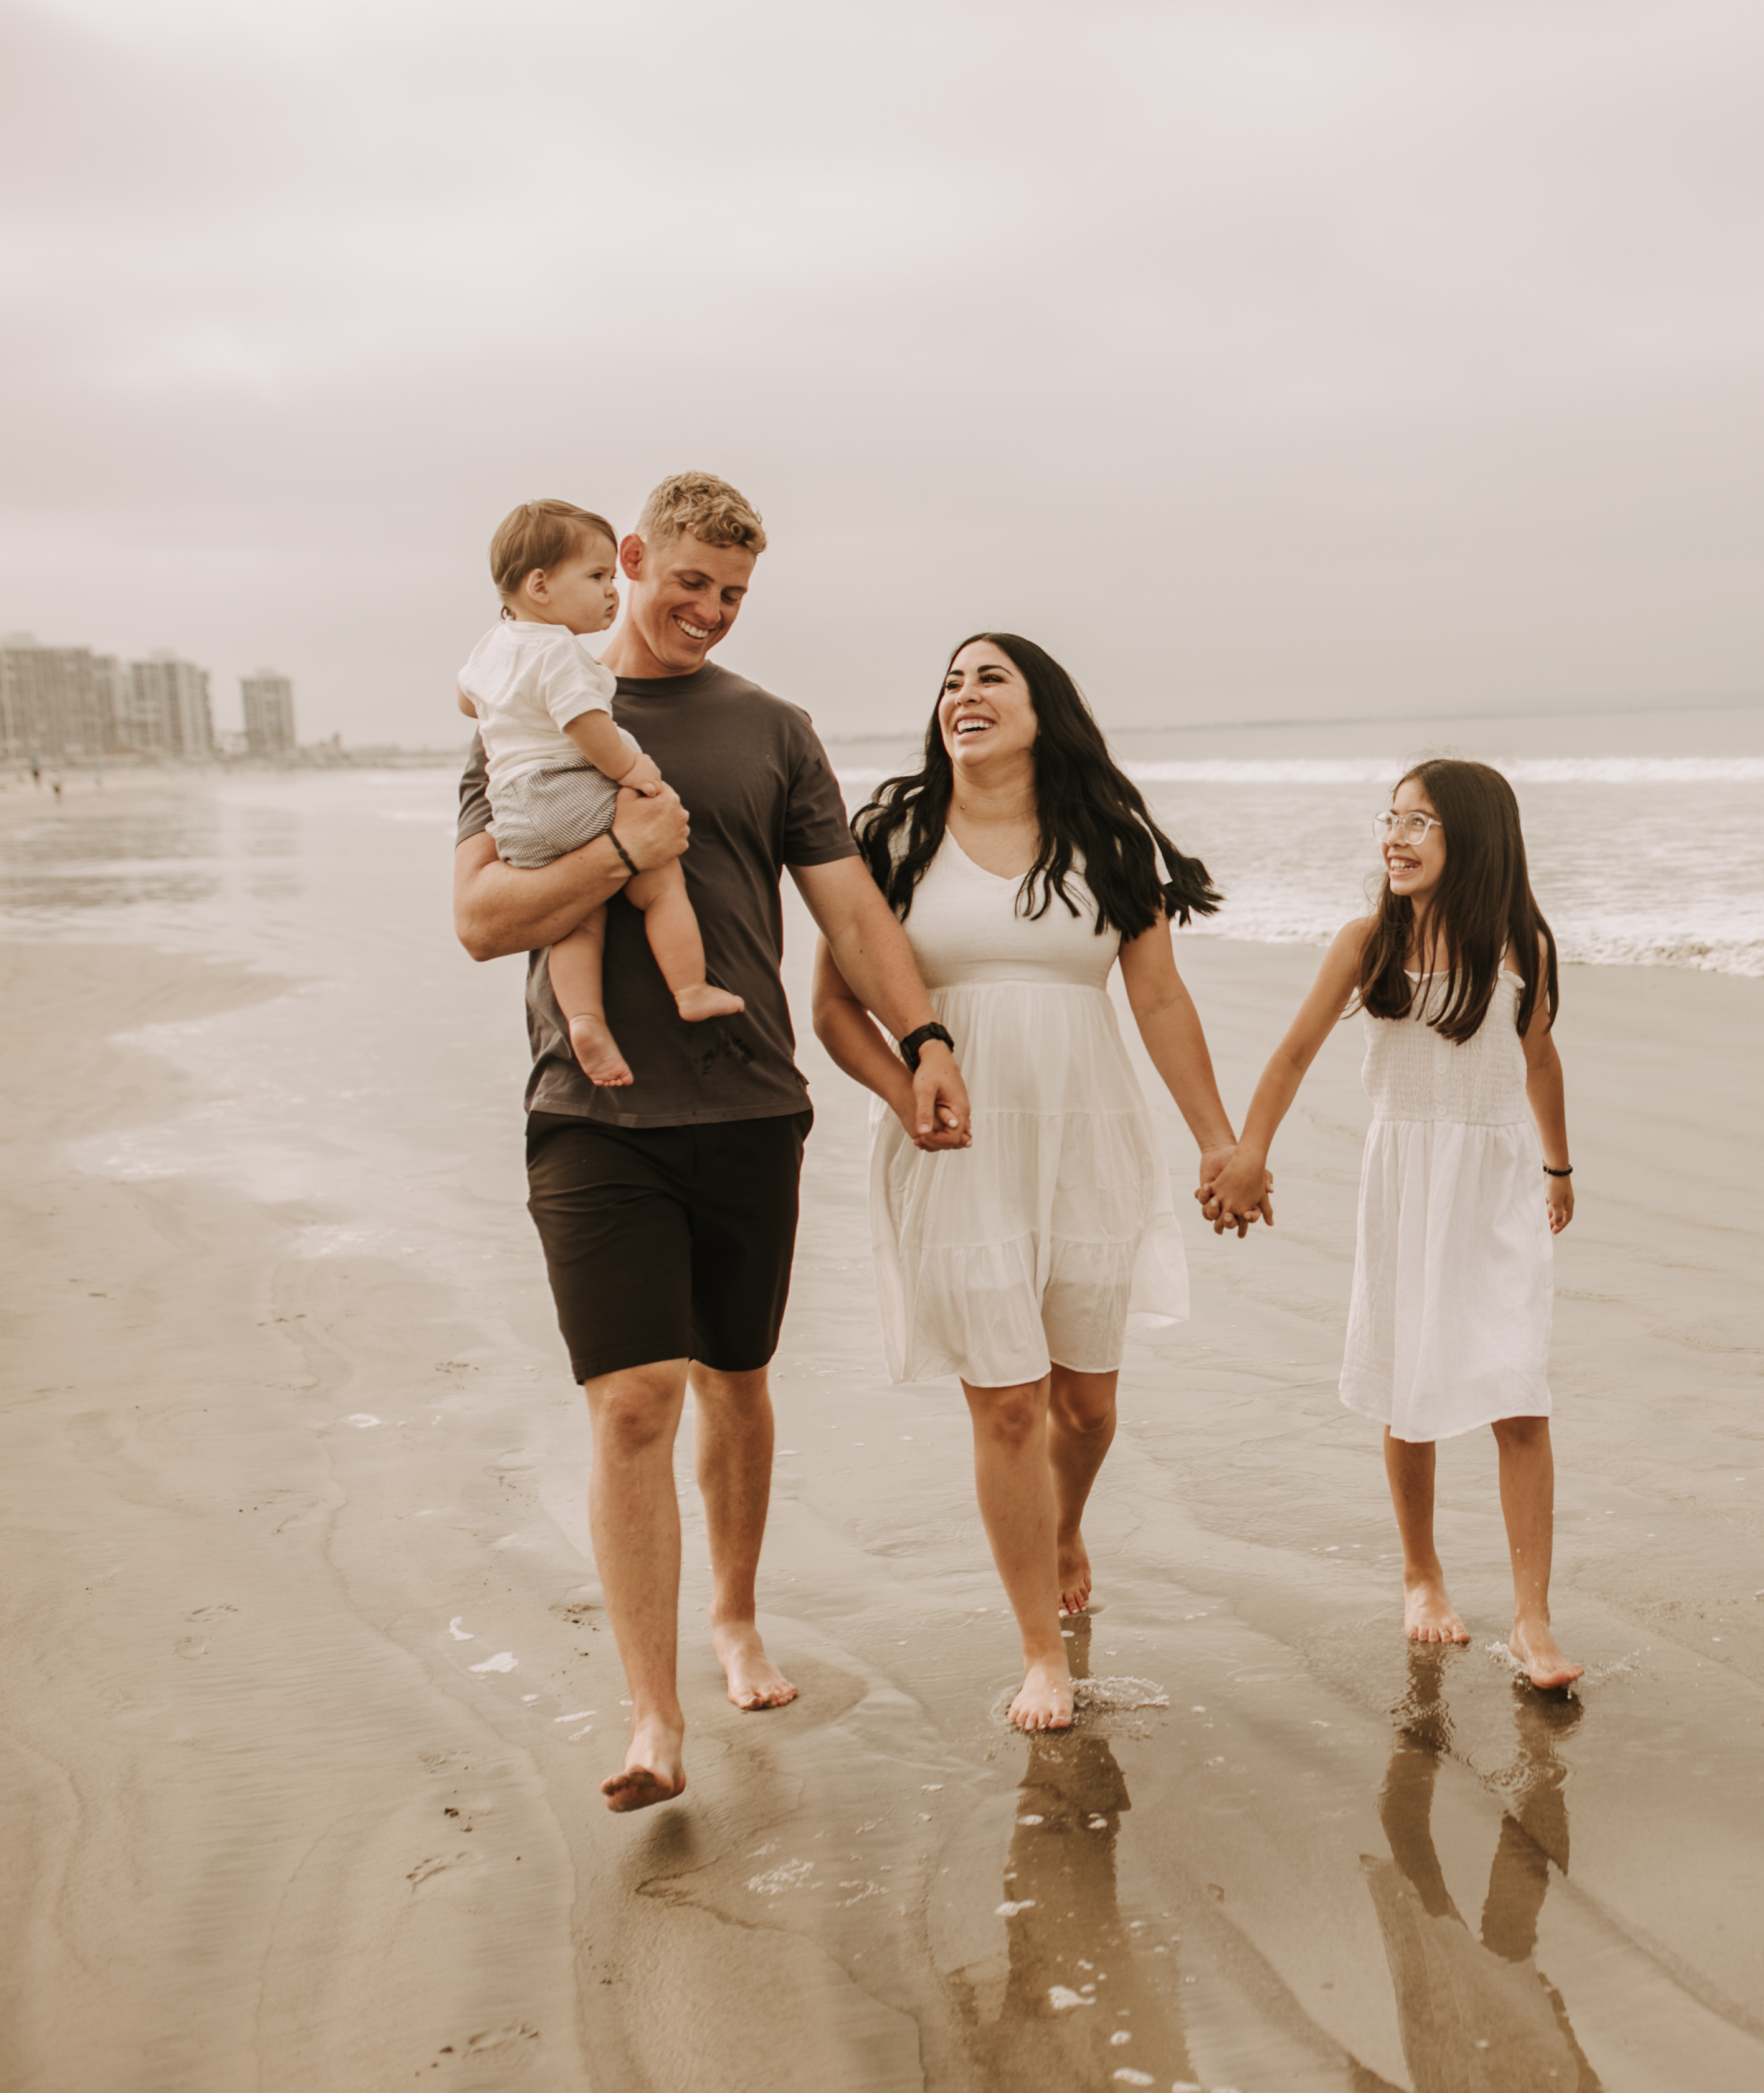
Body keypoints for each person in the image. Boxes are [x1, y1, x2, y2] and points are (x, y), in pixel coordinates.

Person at [452, 472, 973, 1813]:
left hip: (748, 1105)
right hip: (591, 1113)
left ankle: (735, 1613)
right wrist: (624, 852)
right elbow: (482, 919)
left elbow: (852, 912)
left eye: (735, 594)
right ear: (627, 562)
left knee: (736, 1376)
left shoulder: (775, 731)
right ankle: (649, 1717)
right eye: (689, 583)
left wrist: (924, 1042)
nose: (710, 612)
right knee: (633, 1402)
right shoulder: (531, 712)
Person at [816, 632, 1251, 1734]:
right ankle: (1038, 1654)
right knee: (1008, 1405)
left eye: (989, 678)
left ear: (1041, 708)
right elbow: (832, 1007)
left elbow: (1158, 1002)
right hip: (953, 1152)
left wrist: (1218, 1138)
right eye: (951, 682)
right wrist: (902, 1092)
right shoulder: (893, 836)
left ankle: (1064, 1526)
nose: (963, 694)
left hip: (1087, 1139)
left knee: (1087, 1406)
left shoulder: (1107, 840)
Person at [1205, 758, 1583, 1689]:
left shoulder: (1517, 947)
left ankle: (1533, 1620)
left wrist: (1559, 1164)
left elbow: (1539, 1060)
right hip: (1405, 1183)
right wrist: (1249, 1152)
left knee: (1518, 1392)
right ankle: (1422, 1575)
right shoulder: (1367, 942)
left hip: (1495, 1188)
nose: (1397, 837)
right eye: (1392, 819)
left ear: (1477, 840)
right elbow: (1293, 1055)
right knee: (1411, 1387)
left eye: (1421, 823)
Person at [455, 497, 746, 1089]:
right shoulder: (559, 651)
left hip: (516, 812)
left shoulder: (492, 645)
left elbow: (468, 701)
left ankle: (585, 1021)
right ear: (539, 585)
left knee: (575, 918)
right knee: (661, 879)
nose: (610, 591)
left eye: (611, 577)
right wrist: (635, 770)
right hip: (565, 790)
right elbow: (589, 727)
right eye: (596, 577)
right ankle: (690, 988)